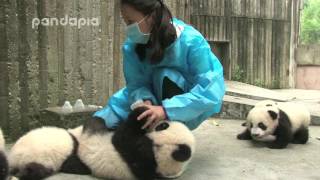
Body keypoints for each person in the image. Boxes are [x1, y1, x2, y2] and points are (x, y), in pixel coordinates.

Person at [93, 0, 225, 130]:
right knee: (102, 121)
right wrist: (143, 100)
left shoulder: (191, 42)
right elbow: (136, 84)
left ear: (151, 17)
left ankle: (167, 128)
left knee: (163, 75)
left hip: (185, 105)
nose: (127, 28)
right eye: (125, 21)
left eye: (130, 22)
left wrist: (165, 110)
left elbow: (210, 90)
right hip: (153, 97)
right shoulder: (131, 46)